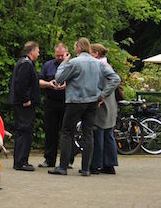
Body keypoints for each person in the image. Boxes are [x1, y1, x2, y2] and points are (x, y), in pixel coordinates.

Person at [49, 37, 120, 176]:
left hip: (75, 101)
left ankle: (63, 167)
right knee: (88, 134)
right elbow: (116, 79)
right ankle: (86, 169)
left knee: (67, 132)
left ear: (79, 48)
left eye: (75, 47)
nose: (74, 49)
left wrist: (64, 63)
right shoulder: (99, 63)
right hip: (92, 102)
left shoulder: (74, 62)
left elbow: (59, 78)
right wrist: (103, 95)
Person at [7, 41, 41, 171]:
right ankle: (21, 161)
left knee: (25, 130)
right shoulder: (26, 64)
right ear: (31, 51)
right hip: (24, 104)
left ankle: (22, 160)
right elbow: (21, 83)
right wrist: (26, 99)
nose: (38, 54)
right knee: (24, 130)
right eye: (37, 51)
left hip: (22, 102)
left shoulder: (24, 63)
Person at [90, 43, 119, 175]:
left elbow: (114, 80)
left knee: (98, 134)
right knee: (108, 135)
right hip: (111, 105)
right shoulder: (107, 65)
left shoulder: (100, 66)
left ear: (95, 53)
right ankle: (109, 165)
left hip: (103, 105)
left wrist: (102, 95)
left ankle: (96, 165)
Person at [37, 43, 68, 168]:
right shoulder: (48, 65)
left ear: (67, 53)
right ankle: (49, 160)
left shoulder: (72, 64)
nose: (60, 58)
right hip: (51, 102)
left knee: (67, 133)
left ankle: (67, 161)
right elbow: (39, 81)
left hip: (66, 102)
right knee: (51, 132)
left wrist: (66, 85)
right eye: (57, 55)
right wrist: (49, 84)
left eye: (62, 55)